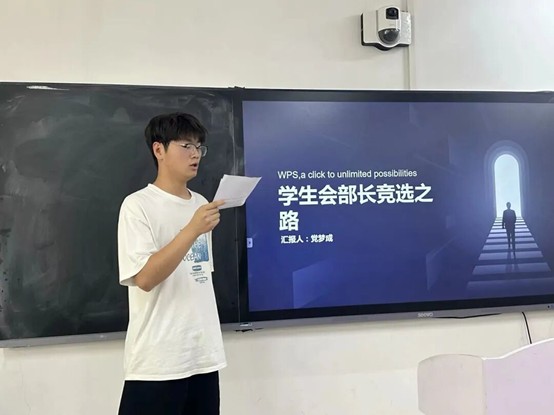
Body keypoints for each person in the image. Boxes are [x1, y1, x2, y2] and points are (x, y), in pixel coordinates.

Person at [117, 112, 226, 415]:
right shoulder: (138, 206)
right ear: (159, 150)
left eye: (199, 147)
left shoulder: (201, 204)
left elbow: (197, 273)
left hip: (203, 356)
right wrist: (192, 229)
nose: (195, 154)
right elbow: (145, 279)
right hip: (158, 362)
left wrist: (196, 225)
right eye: (186, 146)